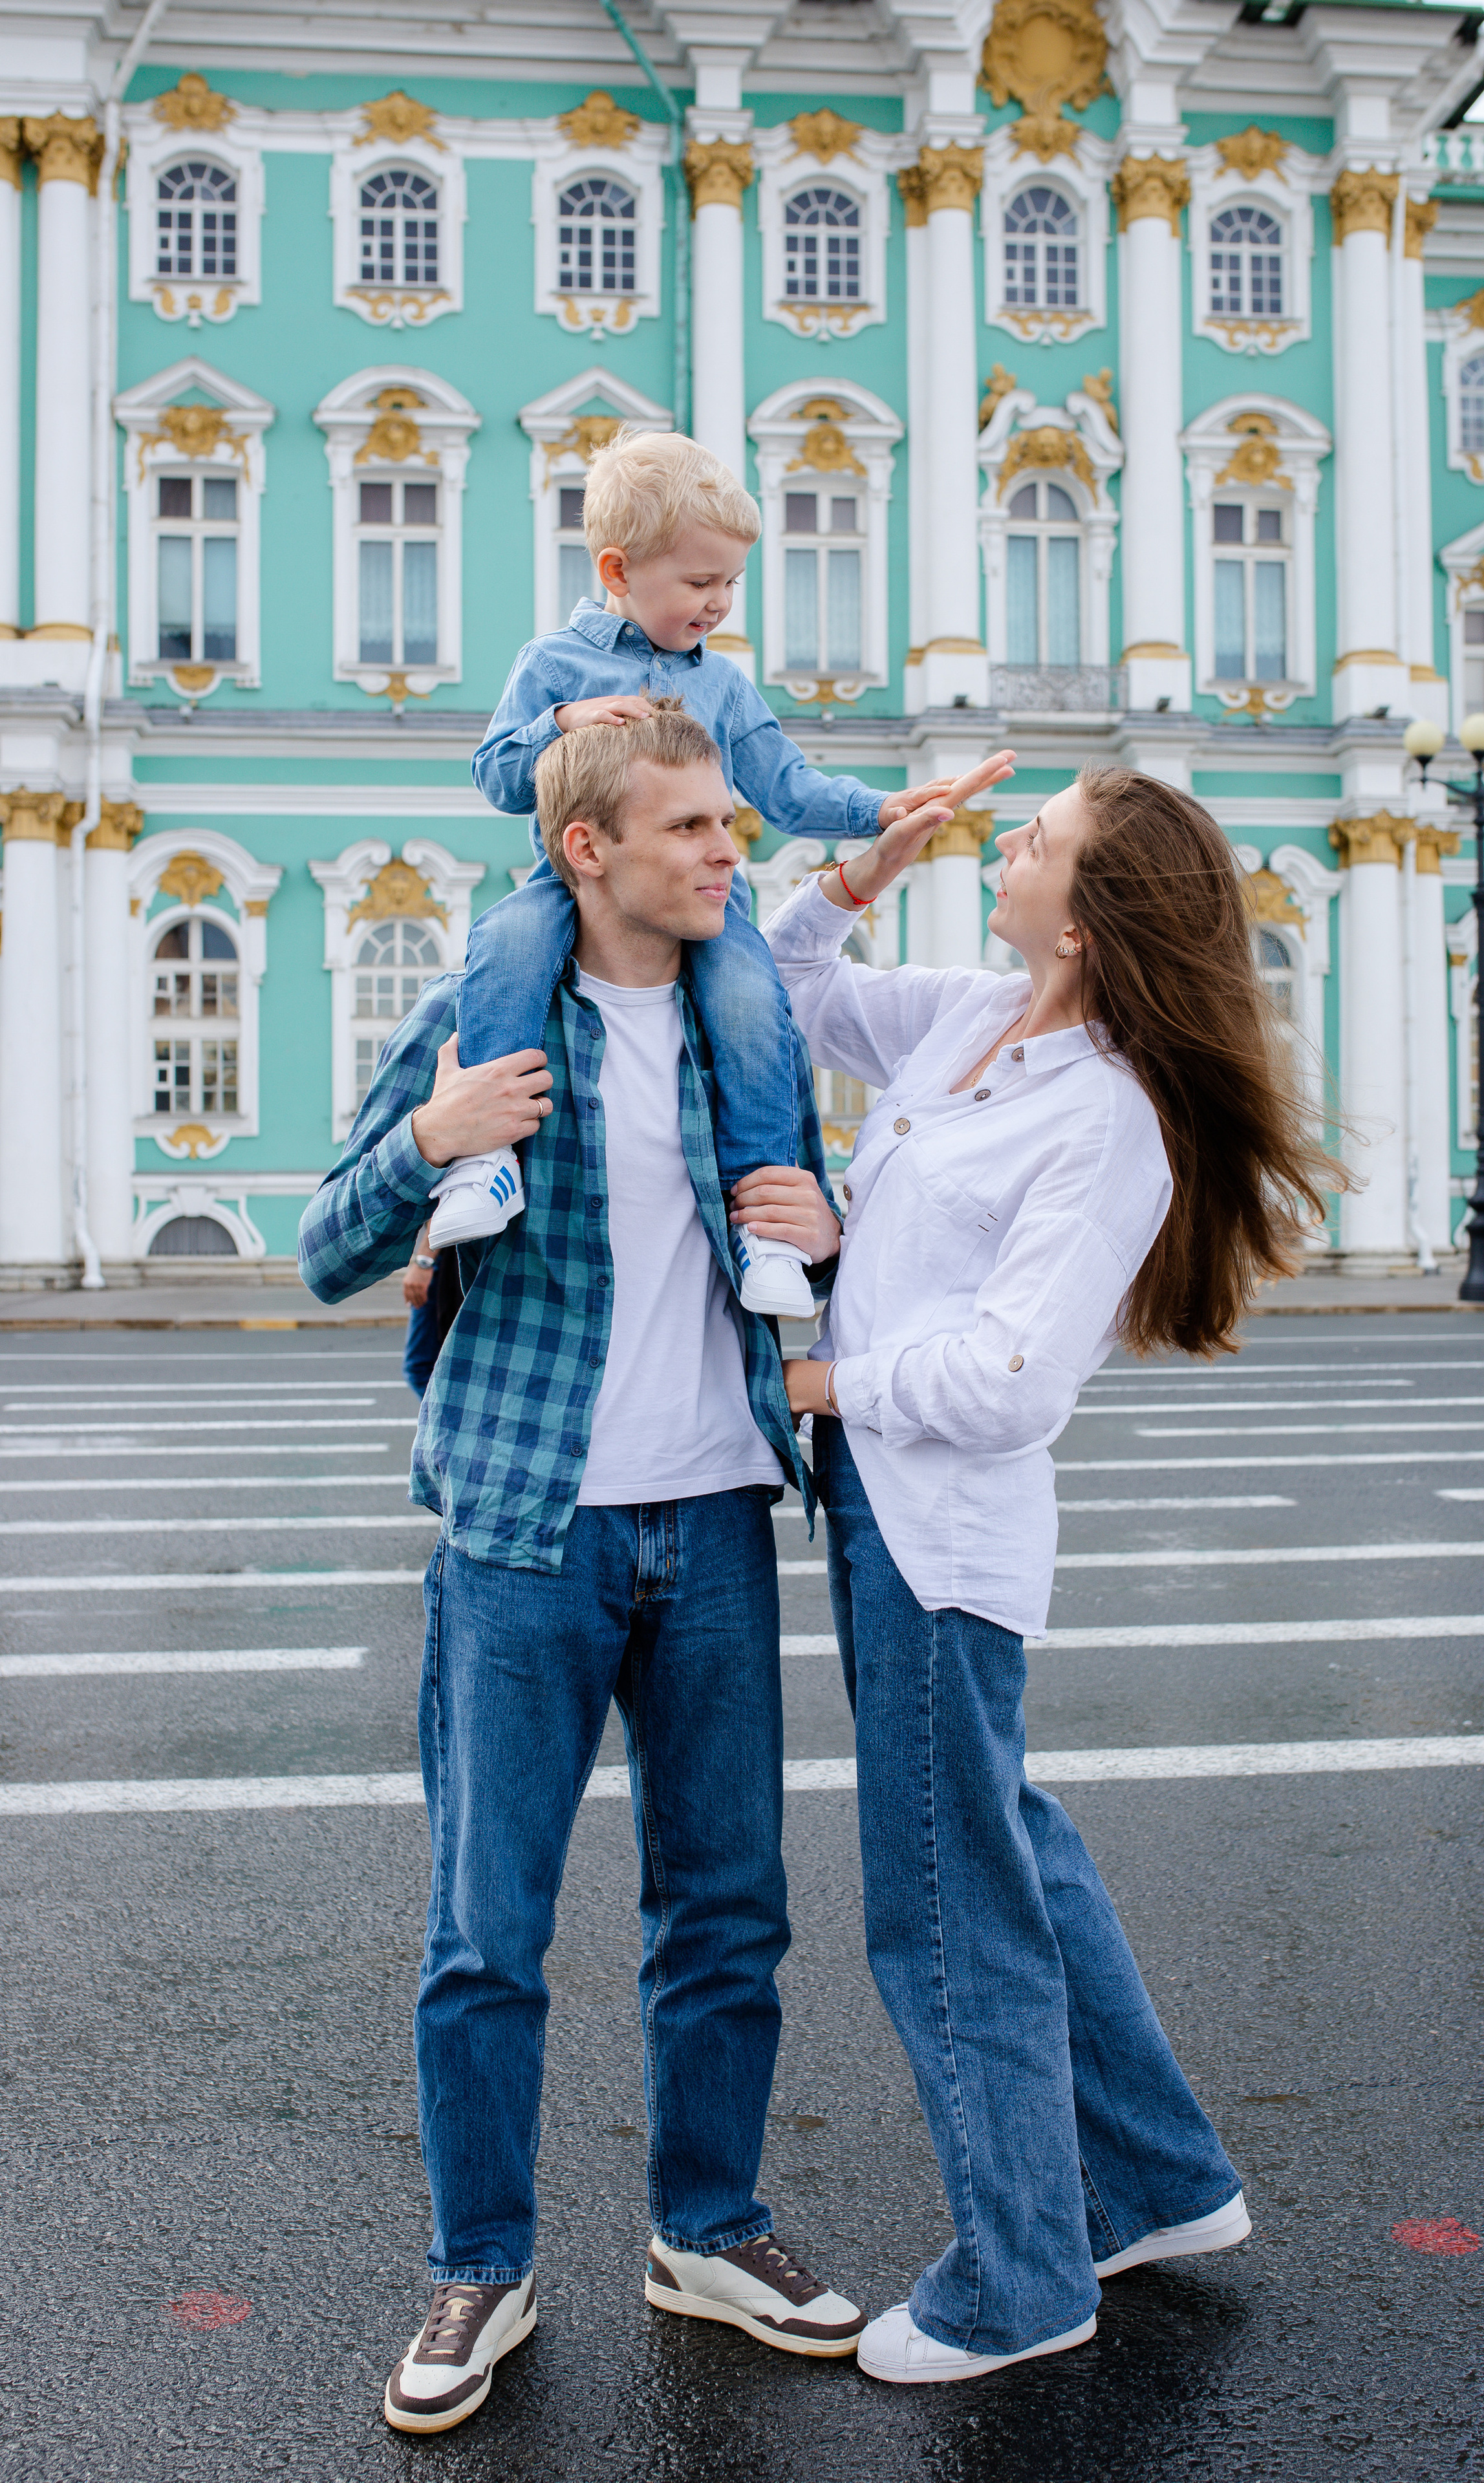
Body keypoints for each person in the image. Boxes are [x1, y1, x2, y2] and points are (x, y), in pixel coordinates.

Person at [297, 703, 883, 2438]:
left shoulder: (736, 1032)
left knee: (728, 1914)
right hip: (522, 1528)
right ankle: (480, 2264)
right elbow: (328, 1246)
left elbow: (805, 1235)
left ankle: (706, 2228)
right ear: (590, 853)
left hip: (710, 1520)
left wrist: (833, 1237)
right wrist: (430, 1141)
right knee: (487, 1930)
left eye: (730, 822)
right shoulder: (488, 1023)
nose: (729, 851)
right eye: (695, 829)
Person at [766, 766, 1344, 2386]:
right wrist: (859, 871)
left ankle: (1019, 2276)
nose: (1005, 846)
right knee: (1006, 1843)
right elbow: (789, 982)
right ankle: (1158, 2183)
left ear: (1083, 924)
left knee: (948, 1907)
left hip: (939, 1534)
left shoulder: (1103, 1120)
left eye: (1036, 839)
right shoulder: (968, 1019)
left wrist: (825, 1379)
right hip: (881, 1506)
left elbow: (1013, 1373)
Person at [447, 424, 1011, 1315]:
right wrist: (563, 721)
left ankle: (765, 1225)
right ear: (618, 570)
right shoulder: (552, 665)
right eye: (700, 583)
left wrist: (880, 809)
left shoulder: (725, 685)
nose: (719, 604)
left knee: (756, 1008)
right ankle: (484, 1162)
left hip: (713, 903)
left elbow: (786, 788)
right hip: (573, 883)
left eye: (730, 584)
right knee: (503, 951)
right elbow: (497, 779)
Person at [400, 1225, 462, 1397]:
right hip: (455, 1249)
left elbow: (446, 1200)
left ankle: (450, 1423)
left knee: (421, 1367)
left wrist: (424, 1262)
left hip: (449, 1251)